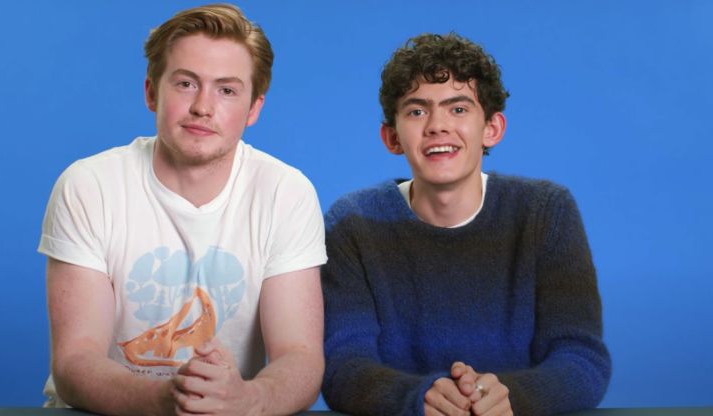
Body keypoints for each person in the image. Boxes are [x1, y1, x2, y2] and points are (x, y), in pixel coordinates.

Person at [38, 4, 326, 415]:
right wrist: (169, 399)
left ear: (254, 108)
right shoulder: (89, 186)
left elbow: (299, 357)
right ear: (152, 92)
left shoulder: (286, 193)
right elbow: (74, 362)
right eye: (186, 83)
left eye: (227, 90)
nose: (203, 107)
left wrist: (249, 400)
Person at [321, 32, 611, 416]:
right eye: (416, 111)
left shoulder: (546, 212)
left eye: (458, 109)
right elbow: (343, 368)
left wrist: (510, 396)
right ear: (391, 137)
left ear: (492, 128)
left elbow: (583, 359)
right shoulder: (352, 223)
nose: (438, 126)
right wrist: (417, 398)